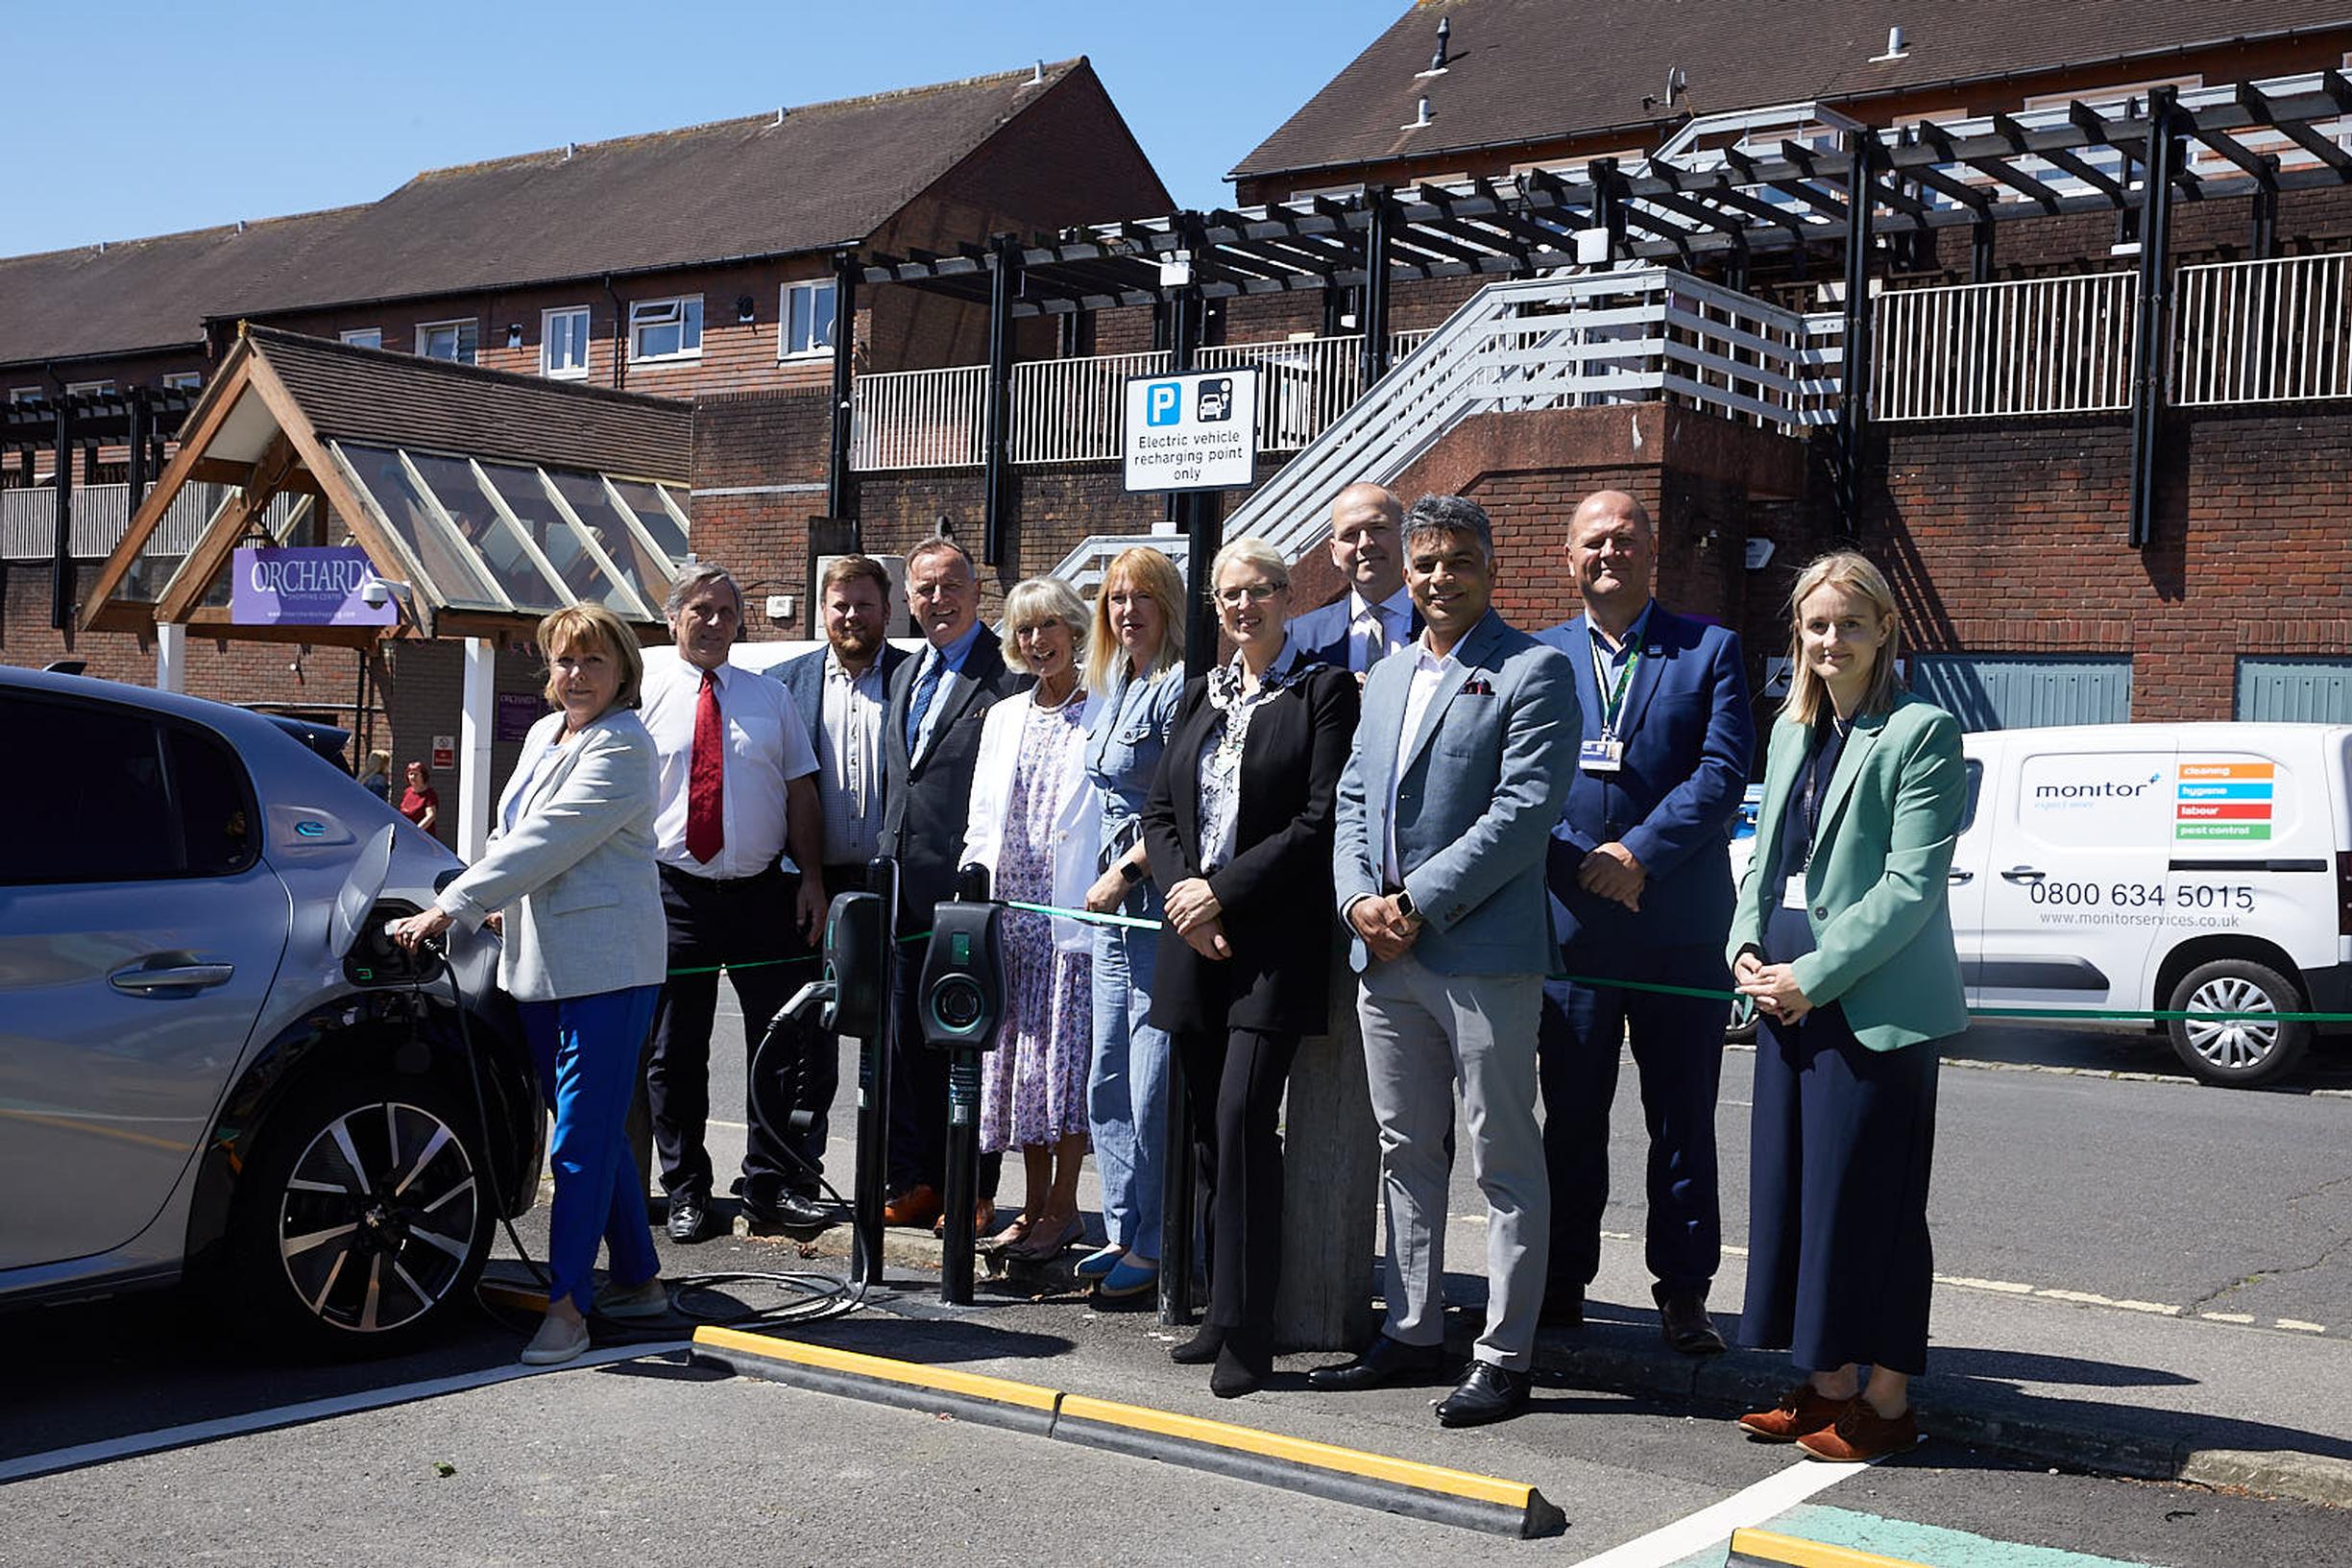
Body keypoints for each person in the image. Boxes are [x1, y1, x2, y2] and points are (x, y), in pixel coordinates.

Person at [1317, 494, 1576, 1429]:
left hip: (1478, 953)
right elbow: (1351, 800)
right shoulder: (1382, 676)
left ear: (1490, 568)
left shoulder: (1533, 671)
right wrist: (1356, 901)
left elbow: (1522, 814)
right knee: (1403, 1148)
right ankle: (1414, 1327)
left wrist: (1413, 902)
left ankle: (1505, 1355)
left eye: (1456, 561)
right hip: (1383, 956)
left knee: (1502, 1156)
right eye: (1423, 562)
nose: (1437, 577)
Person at [1729, 550, 1966, 1464]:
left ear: (1883, 631)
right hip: (1785, 985)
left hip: (1870, 1000)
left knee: (1876, 1205)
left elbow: (1911, 887)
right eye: (1817, 625)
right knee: (1798, 1199)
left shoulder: (1922, 731)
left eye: (1849, 625)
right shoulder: (1792, 728)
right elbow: (1763, 856)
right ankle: (1826, 1384)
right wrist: (1742, 948)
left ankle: (1887, 1401)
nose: (1831, 641)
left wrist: (1811, 974)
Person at [388, 602, 668, 1366]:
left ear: (623, 672)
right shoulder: (548, 734)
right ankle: (639, 1280)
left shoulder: (624, 744)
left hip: (608, 968)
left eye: (591, 662)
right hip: (538, 966)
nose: (575, 676)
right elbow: (512, 832)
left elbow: (552, 838)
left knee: (575, 1143)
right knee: (595, 1131)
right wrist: (481, 891)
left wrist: (453, 906)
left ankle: (569, 1308)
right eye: (563, 661)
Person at [1535, 491, 1755, 1353]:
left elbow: (1722, 771)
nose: (1608, 552)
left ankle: (1685, 1291)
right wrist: (1584, 861)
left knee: (1681, 1120)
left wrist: (1636, 856)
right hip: (1573, 931)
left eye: (1624, 538)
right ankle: (1558, 1282)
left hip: (1677, 931)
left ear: (1651, 550)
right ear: (1568, 556)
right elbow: (1520, 776)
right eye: (1592, 540)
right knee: (1572, 1121)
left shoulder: (1710, 649)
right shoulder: (1537, 657)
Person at [1143, 537, 1359, 1398]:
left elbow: (1316, 822)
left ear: (1287, 596)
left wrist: (1218, 894)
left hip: (1269, 943)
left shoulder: (1321, 690)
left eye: (1259, 592)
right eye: (1228, 596)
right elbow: (1161, 810)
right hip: (1196, 942)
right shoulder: (1201, 692)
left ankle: (1253, 1329)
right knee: (1204, 1134)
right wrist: (1183, 897)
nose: (1243, 607)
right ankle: (1219, 1310)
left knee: (1241, 1123)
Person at [639, 564, 827, 1243]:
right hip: (673, 895)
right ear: (672, 618)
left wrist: (810, 877)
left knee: (777, 1044)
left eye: (725, 610)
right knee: (674, 1051)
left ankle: (770, 1183)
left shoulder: (769, 697)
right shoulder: (643, 695)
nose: (713, 621)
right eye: (699, 609)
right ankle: (685, 1188)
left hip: (761, 895)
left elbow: (801, 792)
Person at [879, 536, 1030, 1232]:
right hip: (901, 892)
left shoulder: (1008, 674)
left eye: (950, 586)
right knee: (906, 1043)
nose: (937, 600)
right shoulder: (906, 672)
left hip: (969, 892)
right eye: (924, 589)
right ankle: (915, 1181)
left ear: (976, 593)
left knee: (970, 1041)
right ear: (907, 598)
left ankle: (969, 1187)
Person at [960, 579, 1104, 1262]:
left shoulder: (1103, 709)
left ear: (1076, 629)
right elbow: (982, 818)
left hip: (1070, 918)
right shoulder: (1004, 715)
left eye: (1049, 625)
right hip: (1012, 918)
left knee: (1065, 1072)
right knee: (1022, 1072)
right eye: (1023, 630)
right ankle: (1032, 1202)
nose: (1037, 640)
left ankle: (1065, 1207)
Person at [774, 556, 911, 1216]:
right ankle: (799, 1178)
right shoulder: (784, 686)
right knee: (812, 1038)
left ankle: (898, 1182)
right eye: (840, 605)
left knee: (897, 1040)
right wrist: (808, 878)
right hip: (811, 885)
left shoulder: (916, 679)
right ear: (820, 611)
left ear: (888, 611)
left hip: (894, 884)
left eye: (863, 603)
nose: (851, 616)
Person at [1075, 545, 1186, 1304]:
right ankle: (1121, 1224)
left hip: (1148, 895)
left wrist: (1126, 871)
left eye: (1141, 596)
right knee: (1106, 1073)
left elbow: (1187, 800)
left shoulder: (1182, 685)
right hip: (1108, 906)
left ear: (1168, 604)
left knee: (1152, 1081)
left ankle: (1157, 1243)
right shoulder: (1115, 682)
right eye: (1115, 597)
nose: (1125, 610)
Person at [1284, 481, 1419, 675]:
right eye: (1350, 535)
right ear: (1334, 552)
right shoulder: (1298, 638)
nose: (1365, 543)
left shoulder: (1447, 623)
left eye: (1378, 528)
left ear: (1406, 535)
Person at [398, 760, 439, 835]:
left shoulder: (429, 794)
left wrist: (416, 831)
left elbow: (431, 816)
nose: (413, 777)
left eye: (416, 774)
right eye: (410, 774)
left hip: (422, 837)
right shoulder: (407, 792)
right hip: (405, 835)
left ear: (423, 776)